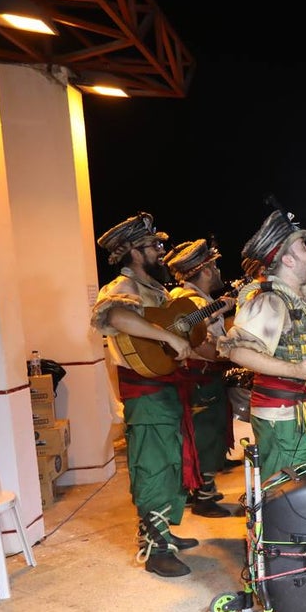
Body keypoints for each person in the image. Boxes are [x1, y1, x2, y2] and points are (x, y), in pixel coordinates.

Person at [90, 212, 196, 577]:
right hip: (146, 396)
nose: (160, 251)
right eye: (153, 246)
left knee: (170, 463)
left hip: (166, 390)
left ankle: (162, 530)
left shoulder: (155, 289)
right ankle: (155, 549)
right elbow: (117, 317)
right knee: (152, 467)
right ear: (134, 252)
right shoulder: (122, 286)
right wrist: (167, 337)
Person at [218, 211, 306, 489]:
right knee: (288, 492)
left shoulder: (305, 297)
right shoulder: (271, 301)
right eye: (303, 246)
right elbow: (237, 351)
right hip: (283, 415)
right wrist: (295, 370)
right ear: (287, 260)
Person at [164, 239, 236, 519]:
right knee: (207, 434)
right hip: (202, 378)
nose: (218, 271)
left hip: (197, 378)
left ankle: (199, 489)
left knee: (201, 434)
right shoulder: (194, 303)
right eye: (214, 267)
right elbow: (201, 346)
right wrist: (233, 356)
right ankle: (203, 497)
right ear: (205, 271)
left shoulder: (190, 299)